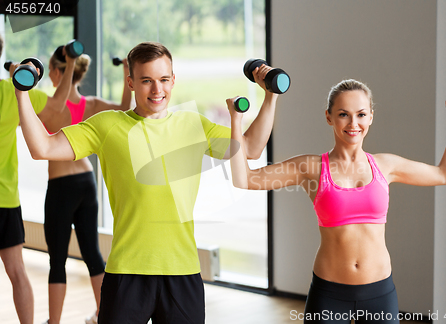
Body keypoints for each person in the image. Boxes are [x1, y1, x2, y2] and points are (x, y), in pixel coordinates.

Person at [15, 41, 279, 324]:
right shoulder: (107, 125)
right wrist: (22, 93)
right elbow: (42, 148)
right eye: (146, 81)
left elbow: (250, 148)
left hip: (182, 272)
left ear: (173, 80)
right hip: (126, 273)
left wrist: (270, 96)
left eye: (164, 80)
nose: (157, 90)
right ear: (130, 82)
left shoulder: (194, 125)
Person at [228, 79, 446, 323]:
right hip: (329, 294)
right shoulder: (311, 167)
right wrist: (236, 122)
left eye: (361, 114)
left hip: (379, 294)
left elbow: (445, 174)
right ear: (329, 117)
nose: (353, 124)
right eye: (343, 114)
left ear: (371, 117)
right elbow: (245, 179)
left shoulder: (386, 165)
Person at [42, 48, 132, 324]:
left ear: (59, 72)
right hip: (86, 182)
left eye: (50, 70)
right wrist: (127, 69)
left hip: (61, 186)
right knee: (92, 254)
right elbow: (125, 109)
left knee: (58, 260)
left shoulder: (50, 106)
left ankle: (54, 322)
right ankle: (103, 315)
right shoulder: (90, 104)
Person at [0, 34, 76, 324]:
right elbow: (58, 104)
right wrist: (69, 64)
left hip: (6, 200)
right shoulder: (11, 93)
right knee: (17, 271)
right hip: (5, 200)